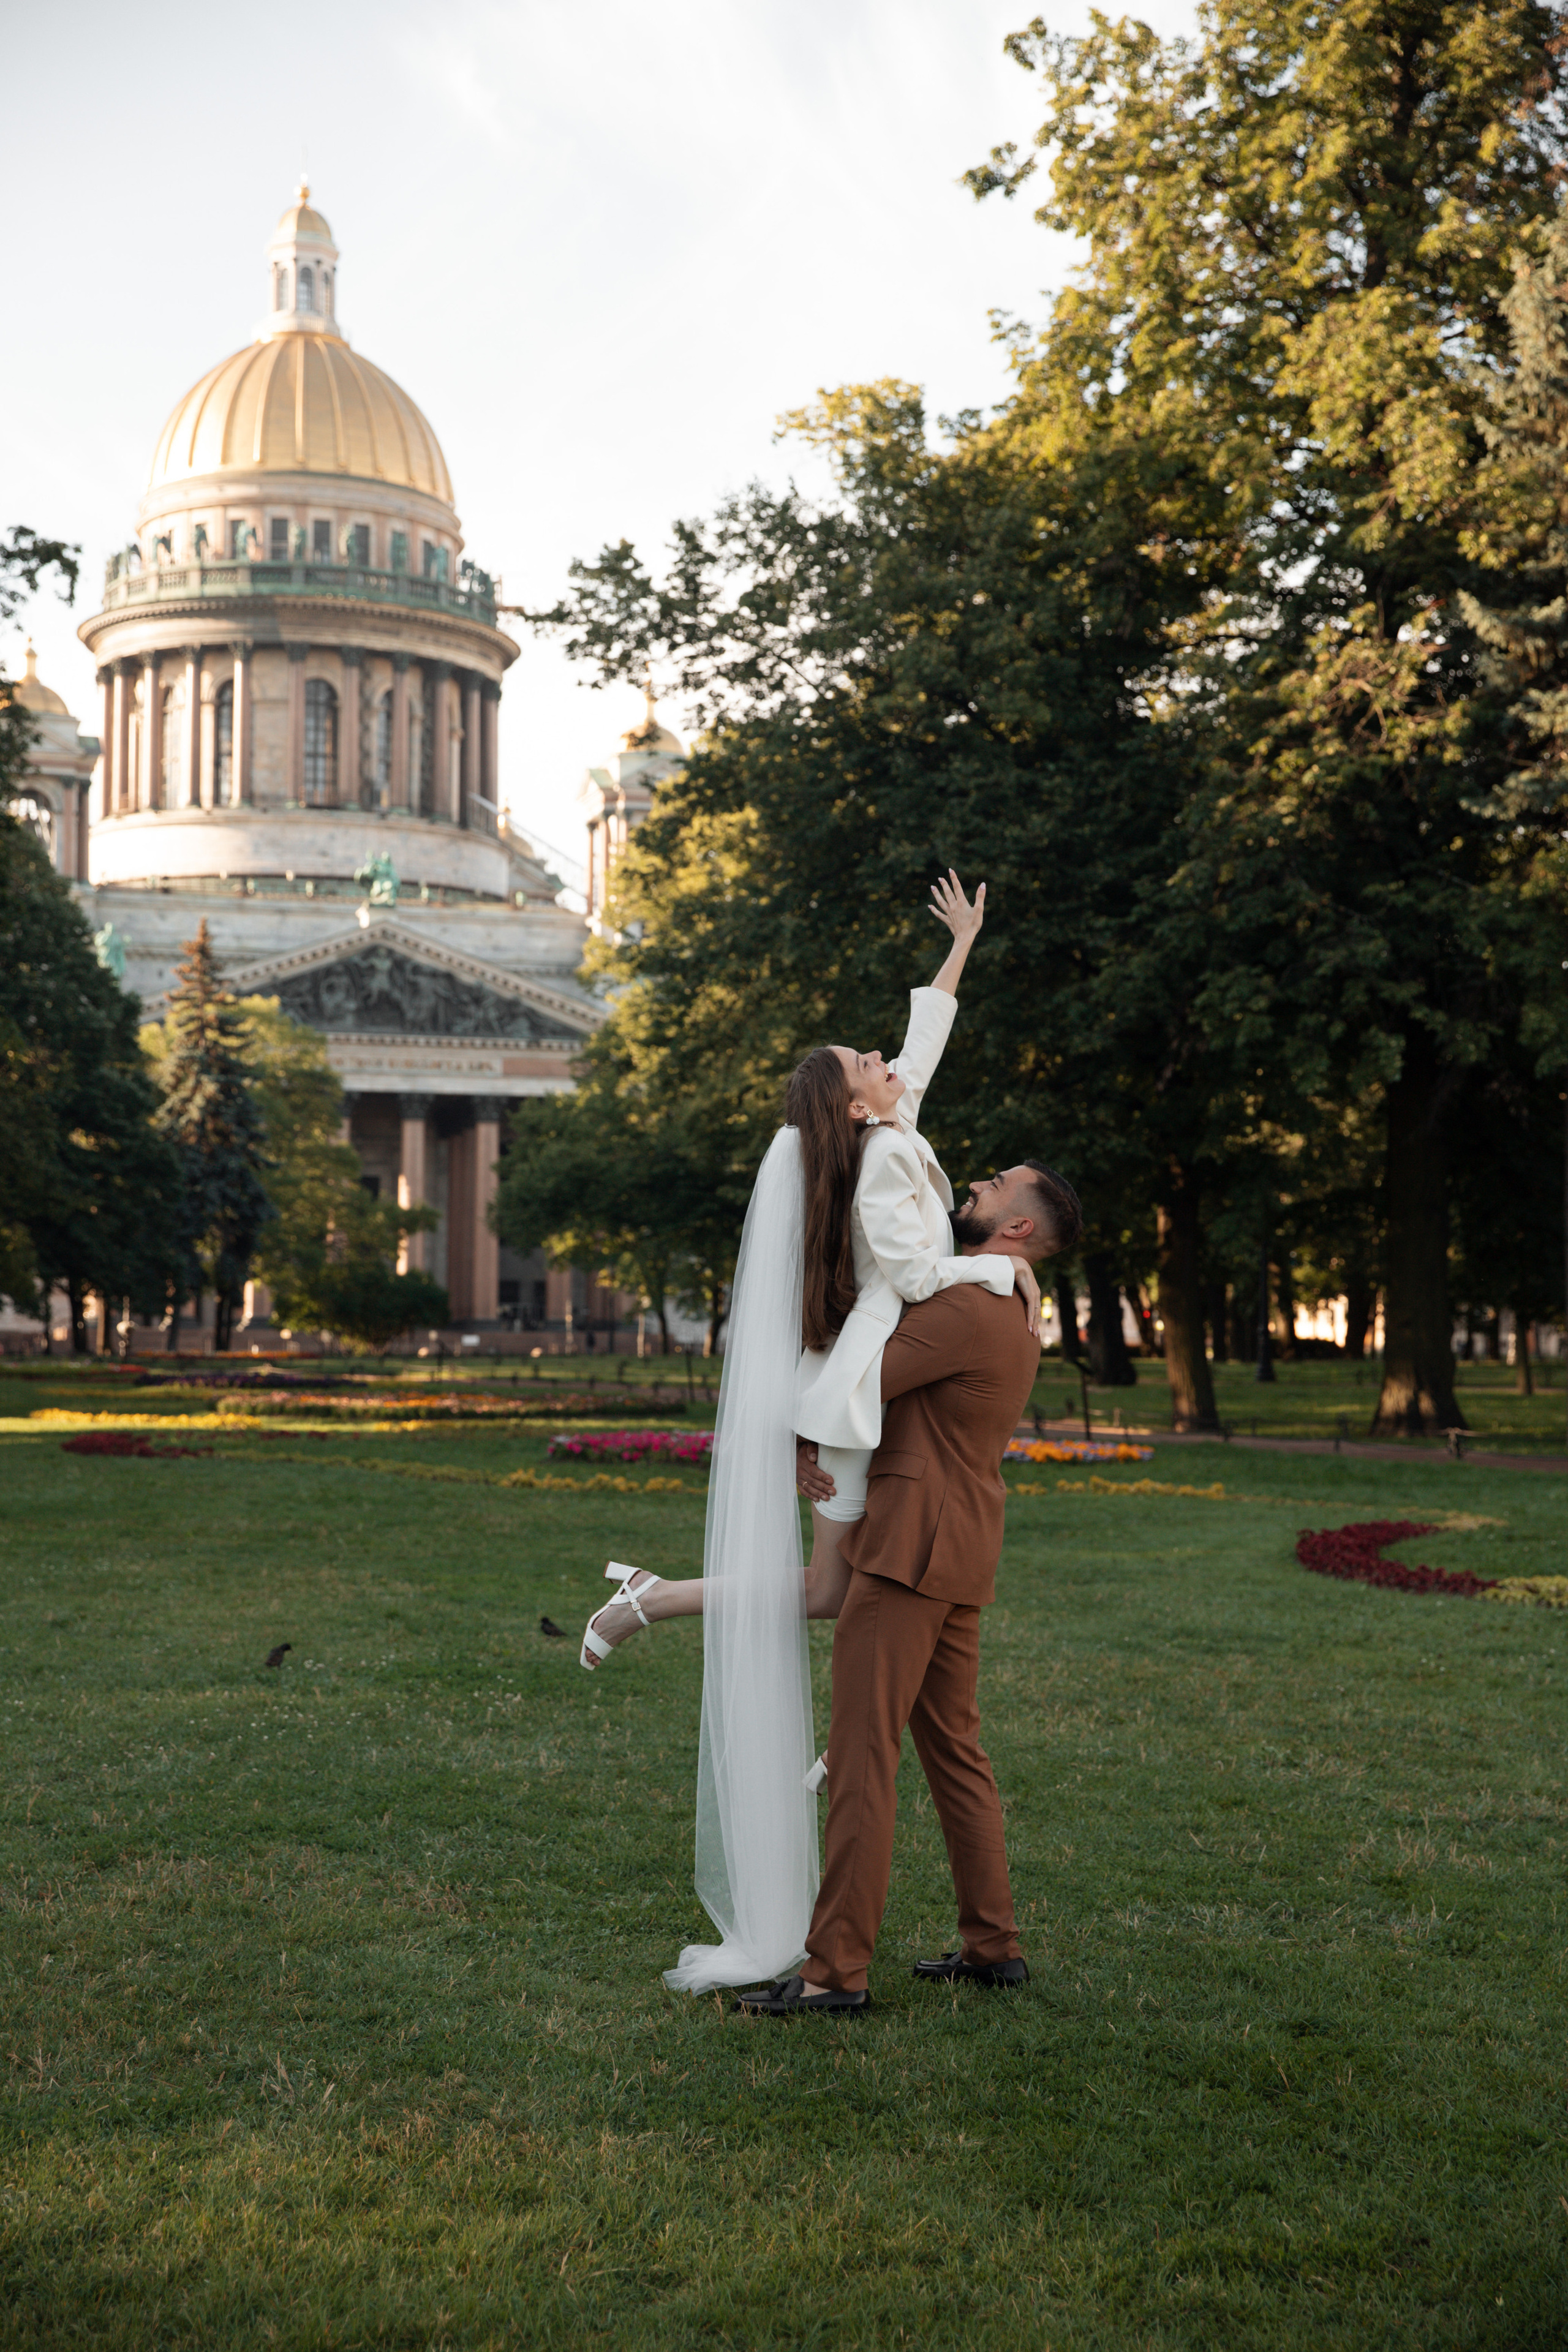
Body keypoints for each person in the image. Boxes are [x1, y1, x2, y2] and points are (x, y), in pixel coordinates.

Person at [578, 872, 1040, 1673]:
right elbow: (893, 1280)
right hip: (853, 1393)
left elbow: (924, 1033)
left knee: (874, 1579)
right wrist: (1001, 1274)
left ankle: (843, 1728)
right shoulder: (873, 1164)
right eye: (865, 1060)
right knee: (836, 1587)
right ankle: (653, 1602)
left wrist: (963, 941)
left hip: (889, 1383)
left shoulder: (893, 1123)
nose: (880, 1055)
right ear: (855, 1107)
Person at [734, 1158, 1083, 2015]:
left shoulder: (973, 1305)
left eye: (999, 1184)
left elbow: (853, 1385)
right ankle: (992, 1945)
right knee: (955, 1754)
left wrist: (797, 1435)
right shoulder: (1005, 1296)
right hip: (958, 1547)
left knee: (860, 1758)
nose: (979, 1184)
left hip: (909, 1551)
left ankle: (833, 1973)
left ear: (1020, 1228)